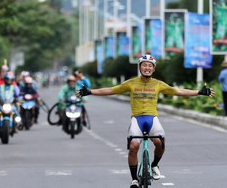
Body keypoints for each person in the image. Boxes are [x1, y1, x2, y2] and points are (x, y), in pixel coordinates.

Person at [77, 54, 214, 188]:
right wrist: (89, 91)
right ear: (140, 67)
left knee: (159, 142)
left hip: (152, 119)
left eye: (150, 66)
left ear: (153, 69)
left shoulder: (158, 84)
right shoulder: (131, 83)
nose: (147, 68)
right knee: (133, 147)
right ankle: (135, 179)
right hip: (137, 119)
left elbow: (178, 91)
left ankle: (154, 165)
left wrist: (199, 92)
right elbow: (110, 90)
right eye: (144, 65)